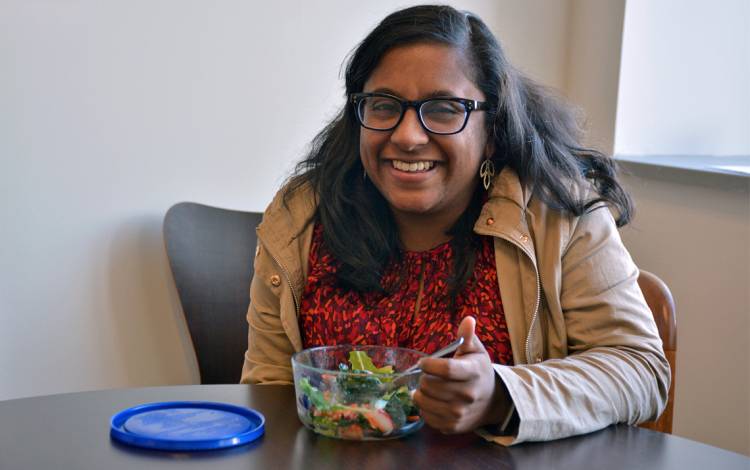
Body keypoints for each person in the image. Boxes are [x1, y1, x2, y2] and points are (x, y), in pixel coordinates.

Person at [240, 4, 670, 445]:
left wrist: (502, 396)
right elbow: (268, 391)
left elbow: (640, 370)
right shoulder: (301, 215)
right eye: (384, 105)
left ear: (493, 129)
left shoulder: (558, 212)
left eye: (444, 109)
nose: (407, 136)